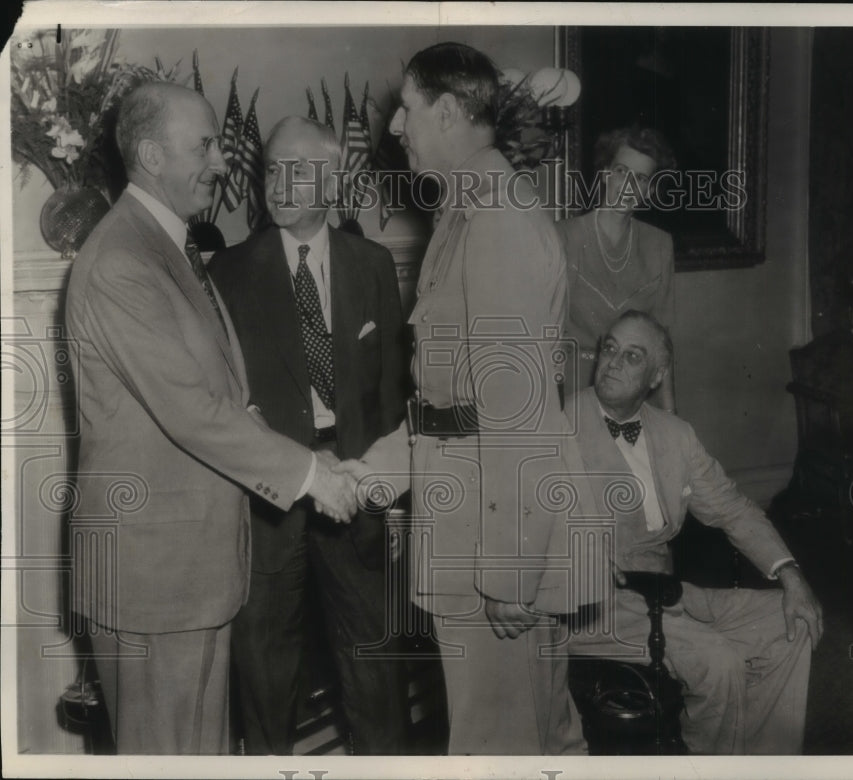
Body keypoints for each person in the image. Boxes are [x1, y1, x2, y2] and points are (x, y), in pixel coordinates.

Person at [64, 83, 355, 755]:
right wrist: (311, 474)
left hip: (189, 574)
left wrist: (300, 455)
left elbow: (222, 395)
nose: (223, 163)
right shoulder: (121, 262)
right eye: (204, 146)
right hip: (153, 581)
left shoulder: (168, 246)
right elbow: (191, 412)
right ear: (150, 155)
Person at [335, 42, 603, 755]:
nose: (396, 127)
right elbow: (451, 403)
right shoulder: (467, 212)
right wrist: (375, 472)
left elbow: (514, 411)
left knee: (497, 748)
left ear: (449, 112)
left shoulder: (497, 222)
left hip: (497, 540)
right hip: (480, 515)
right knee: (540, 739)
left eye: (409, 110)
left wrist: (510, 573)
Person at [209, 116, 410, 755]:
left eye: (299, 169)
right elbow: (223, 404)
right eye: (272, 169)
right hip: (270, 506)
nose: (280, 184)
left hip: (357, 494)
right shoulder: (227, 274)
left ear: (333, 179)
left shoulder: (372, 264)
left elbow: (389, 395)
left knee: (376, 679)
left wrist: (393, 497)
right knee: (266, 684)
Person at [565, 310, 823, 754]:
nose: (613, 362)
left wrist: (791, 574)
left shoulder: (675, 435)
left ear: (656, 375)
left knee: (791, 624)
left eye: (632, 356)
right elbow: (532, 524)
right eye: (610, 348)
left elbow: (732, 508)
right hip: (593, 604)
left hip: (664, 594)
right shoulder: (559, 428)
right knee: (716, 661)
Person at [557, 126, 677, 410]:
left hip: (633, 394)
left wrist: (669, 414)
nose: (629, 186)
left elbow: (663, 344)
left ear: (649, 190)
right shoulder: (563, 237)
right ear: (605, 173)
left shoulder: (659, 244)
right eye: (622, 171)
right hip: (573, 392)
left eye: (641, 178)